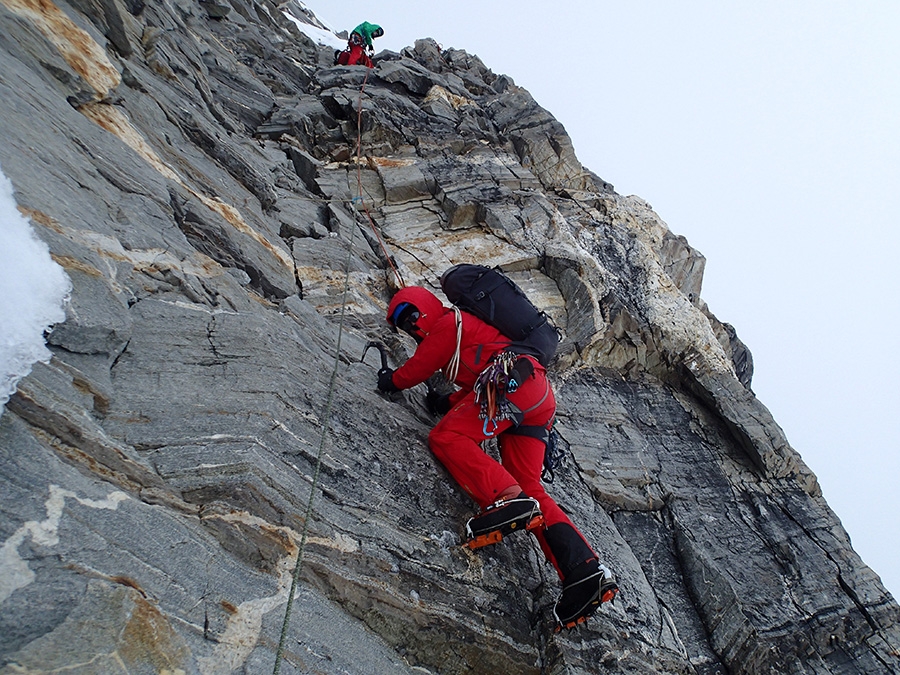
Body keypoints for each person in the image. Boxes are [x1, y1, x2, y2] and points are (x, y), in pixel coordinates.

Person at [377, 285, 618, 630]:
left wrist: (391, 381)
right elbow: (475, 379)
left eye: (412, 315)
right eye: (403, 324)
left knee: (447, 437)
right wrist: (443, 403)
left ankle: (507, 500)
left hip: (511, 385)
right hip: (534, 395)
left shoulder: (449, 324)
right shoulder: (463, 333)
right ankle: (585, 572)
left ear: (428, 307)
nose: (411, 326)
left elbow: (417, 368)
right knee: (530, 486)